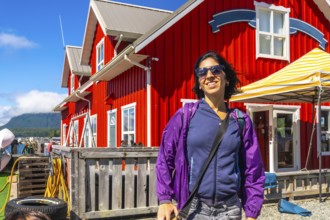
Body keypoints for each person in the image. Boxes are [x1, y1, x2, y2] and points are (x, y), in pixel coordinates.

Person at [156, 51, 265, 220]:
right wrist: (164, 199)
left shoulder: (241, 121)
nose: (209, 75)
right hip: (194, 209)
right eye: (202, 72)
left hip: (230, 210)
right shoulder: (185, 116)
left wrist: (251, 212)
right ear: (199, 83)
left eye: (215, 70)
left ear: (226, 78)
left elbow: (253, 170)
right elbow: (165, 158)